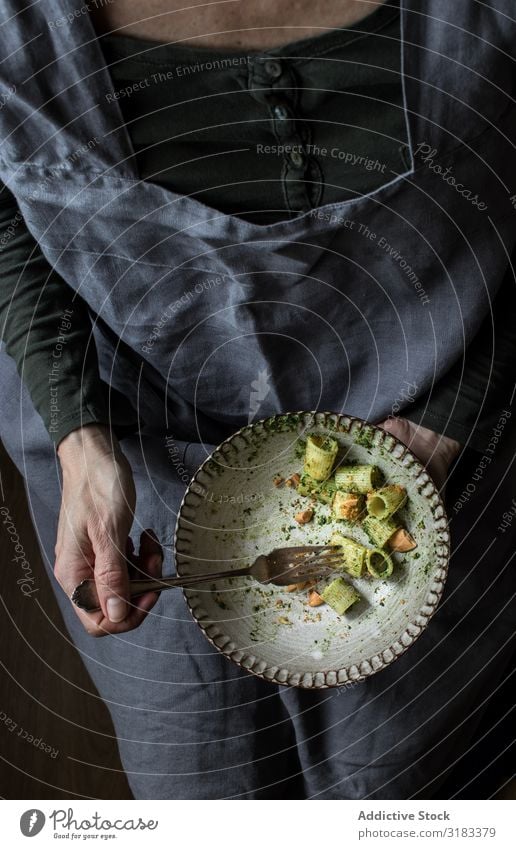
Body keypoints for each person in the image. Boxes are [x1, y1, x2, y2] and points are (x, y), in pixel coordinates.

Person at [0, 0, 514, 799]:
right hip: (126, 435)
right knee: (200, 781)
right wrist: (79, 436)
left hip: (446, 419)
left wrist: (451, 422)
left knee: (401, 780)